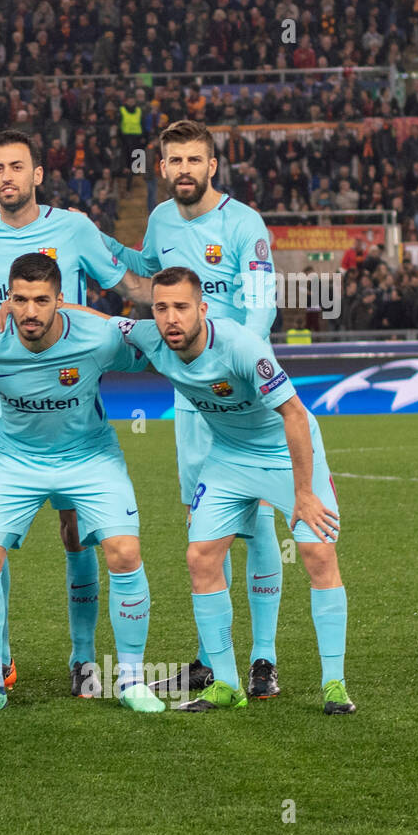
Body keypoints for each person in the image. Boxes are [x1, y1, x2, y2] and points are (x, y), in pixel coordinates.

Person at [0, 129, 154, 700]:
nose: (6, 176)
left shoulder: (75, 228)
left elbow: (124, 289)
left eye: (17, 166)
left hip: (71, 393)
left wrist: (170, 300)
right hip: (2, 408)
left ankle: (85, 660)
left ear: (38, 174)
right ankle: (0, 663)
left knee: (76, 535)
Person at [0, 253, 164, 715]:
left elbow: (152, 346)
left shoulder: (96, 338)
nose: (31, 312)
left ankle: (133, 680)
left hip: (90, 458)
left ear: (60, 300)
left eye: (42, 300)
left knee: (124, 552)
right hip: (16, 461)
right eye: (20, 300)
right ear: (6, 300)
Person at [98, 119, 285, 700]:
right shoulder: (159, 221)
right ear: (162, 167)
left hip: (243, 391)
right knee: (205, 523)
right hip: (188, 397)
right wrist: (93, 241)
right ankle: (213, 659)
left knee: (257, 525)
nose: (184, 169)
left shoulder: (242, 223)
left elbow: (259, 308)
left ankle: (264, 660)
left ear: (212, 166)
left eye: (194, 160)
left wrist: (237, 371)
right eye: (174, 160)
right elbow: (148, 283)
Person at [119, 266, 354, 714]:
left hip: (286, 455)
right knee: (200, 556)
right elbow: (95, 321)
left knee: (318, 554)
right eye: (162, 308)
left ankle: (335, 684)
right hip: (227, 458)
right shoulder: (151, 339)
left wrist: (304, 493)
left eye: (182, 308)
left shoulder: (242, 347)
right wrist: (11, 311)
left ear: (202, 309)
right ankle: (225, 684)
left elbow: (296, 415)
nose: (171, 318)